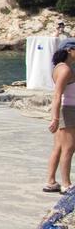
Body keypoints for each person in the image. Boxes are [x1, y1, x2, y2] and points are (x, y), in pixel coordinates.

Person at [44, 40, 75, 193]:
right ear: (69, 50)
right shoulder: (65, 70)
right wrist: (55, 118)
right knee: (68, 148)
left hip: (66, 109)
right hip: (68, 111)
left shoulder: (60, 68)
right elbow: (57, 95)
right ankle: (66, 184)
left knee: (58, 148)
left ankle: (50, 181)